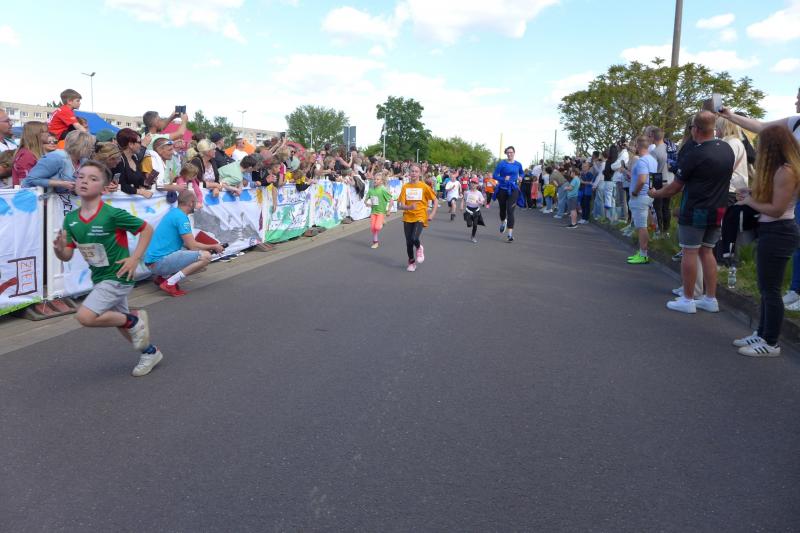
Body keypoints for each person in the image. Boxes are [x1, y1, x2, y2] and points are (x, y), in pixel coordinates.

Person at [51, 160, 161, 377]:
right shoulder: (71, 219)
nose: (84, 181)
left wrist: (134, 259)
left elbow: (146, 229)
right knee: (122, 324)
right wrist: (59, 249)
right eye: (81, 177)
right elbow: (67, 255)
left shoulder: (111, 214)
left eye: (93, 179)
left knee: (85, 317)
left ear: (104, 188)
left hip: (119, 275)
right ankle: (150, 352)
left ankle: (134, 318)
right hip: (100, 276)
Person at [650, 111, 734, 314]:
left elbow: (675, 187)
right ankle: (710, 298)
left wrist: (656, 193)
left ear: (696, 129)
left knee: (690, 251)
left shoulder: (695, 154)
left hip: (696, 208)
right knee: (707, 251)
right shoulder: (727, 149)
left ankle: (688, 299)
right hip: (719, 208)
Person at [731, 126, 800, 356]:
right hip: (772, 231)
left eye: (760, 145)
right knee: (765, 288)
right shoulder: (781, 170)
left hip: (779, 231)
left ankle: (770, 342)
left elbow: (777, 209)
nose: (757, 149)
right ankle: (762, 333)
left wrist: (749, 201)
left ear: (771, 147)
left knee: (771, 290)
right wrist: (751, 193)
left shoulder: (786, 171)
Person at [145, 190, 224, 297]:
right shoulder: (181, 217)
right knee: (205, 257)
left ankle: (162, 278)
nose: (196, 205)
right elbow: (192, 246)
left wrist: (208, 247)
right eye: (195, 202)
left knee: (199, 257)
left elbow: (188, 245)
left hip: (153, 261)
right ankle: (169, 283)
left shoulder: (174, 213)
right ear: (191, 203)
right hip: (159, 262)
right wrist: (214, 246)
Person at [22, 130, 95, 192]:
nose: (92, 149)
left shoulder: (83, 160)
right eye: (90, 146)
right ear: (80, 146)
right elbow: (31, 179)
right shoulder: (56, 158)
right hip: (39, 200)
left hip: (65, 201)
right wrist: (61, 184)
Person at [397, 163, 437, 272]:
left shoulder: (424, 186)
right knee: (409, 242)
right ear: (409, 173)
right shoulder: (405, 187)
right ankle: (411, 262)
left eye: (416, 171)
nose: (414, 173)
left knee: (414, 238)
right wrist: (409, 207)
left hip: (420, 215)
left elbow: (435, 200)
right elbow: (400, 205)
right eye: (412, 171)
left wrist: (432, 214)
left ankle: (419, 248)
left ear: (420, 173)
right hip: (408, 216)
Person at [627, 136, 658, 264]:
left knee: (641, 227)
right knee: (643, 225)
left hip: (640, 196)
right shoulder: (652, 160)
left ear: (638, 146)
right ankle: (641, 251)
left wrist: (635, 192)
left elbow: (642, 179)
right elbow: (651, 179)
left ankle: (643, 254)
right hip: (647, 195)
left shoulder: (642, 161)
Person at [493, 146, 524, 242]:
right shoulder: (502, 163)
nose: (510, 154)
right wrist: (503, 178)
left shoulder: (518, 164)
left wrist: (521, 177)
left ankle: (510, 235)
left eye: (511, 152)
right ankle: (503, 222)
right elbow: (494, 175)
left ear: (514, 153)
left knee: (510, 210)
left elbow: (522, 173)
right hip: (502, 189)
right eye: (508, 152)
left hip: (513, 189)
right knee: (502, 210)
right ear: (506, 154)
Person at [649, 127, 671, 238]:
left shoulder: (654, 152)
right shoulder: (671, 149)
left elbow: (652, 171)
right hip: (671, 182)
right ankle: (666, 232)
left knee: (658, 208)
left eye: (650, 136)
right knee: (666, 208)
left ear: (653, 137)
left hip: (659, 182)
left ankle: (659, 232)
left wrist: (650, 186)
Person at [11, 121, 48, 186]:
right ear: (36, 134)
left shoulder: (33, 153)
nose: (48, 134)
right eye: (45, 132)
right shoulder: (27, 155)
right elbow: (25, 183)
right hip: (29, 191)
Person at [367, 172, 393, 248]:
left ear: (381, 181)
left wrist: (389, 210)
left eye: (378, 179)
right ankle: (375, 242)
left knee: (377, 227)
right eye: (375, 179)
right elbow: (366, 200)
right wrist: (367, 203)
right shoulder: (371, 190)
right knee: (373, 228)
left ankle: (381, 221)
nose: (375, 180)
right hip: (373, 211)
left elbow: (391, 200)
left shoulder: (383, 189)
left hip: (381, 211)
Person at [463, 177, 486, 243]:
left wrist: (479, 202)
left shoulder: (479, 193)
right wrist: (462, 205)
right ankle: (467, 219)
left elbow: (482, 202)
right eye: (472, 183)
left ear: (477, 185)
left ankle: (473, 236)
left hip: (476, 211)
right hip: (468, 210)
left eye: (475, 183)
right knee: (469, 224)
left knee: (475, 225)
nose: (473, 184)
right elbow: (464, 199)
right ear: (470, 184)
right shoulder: (467, 192)